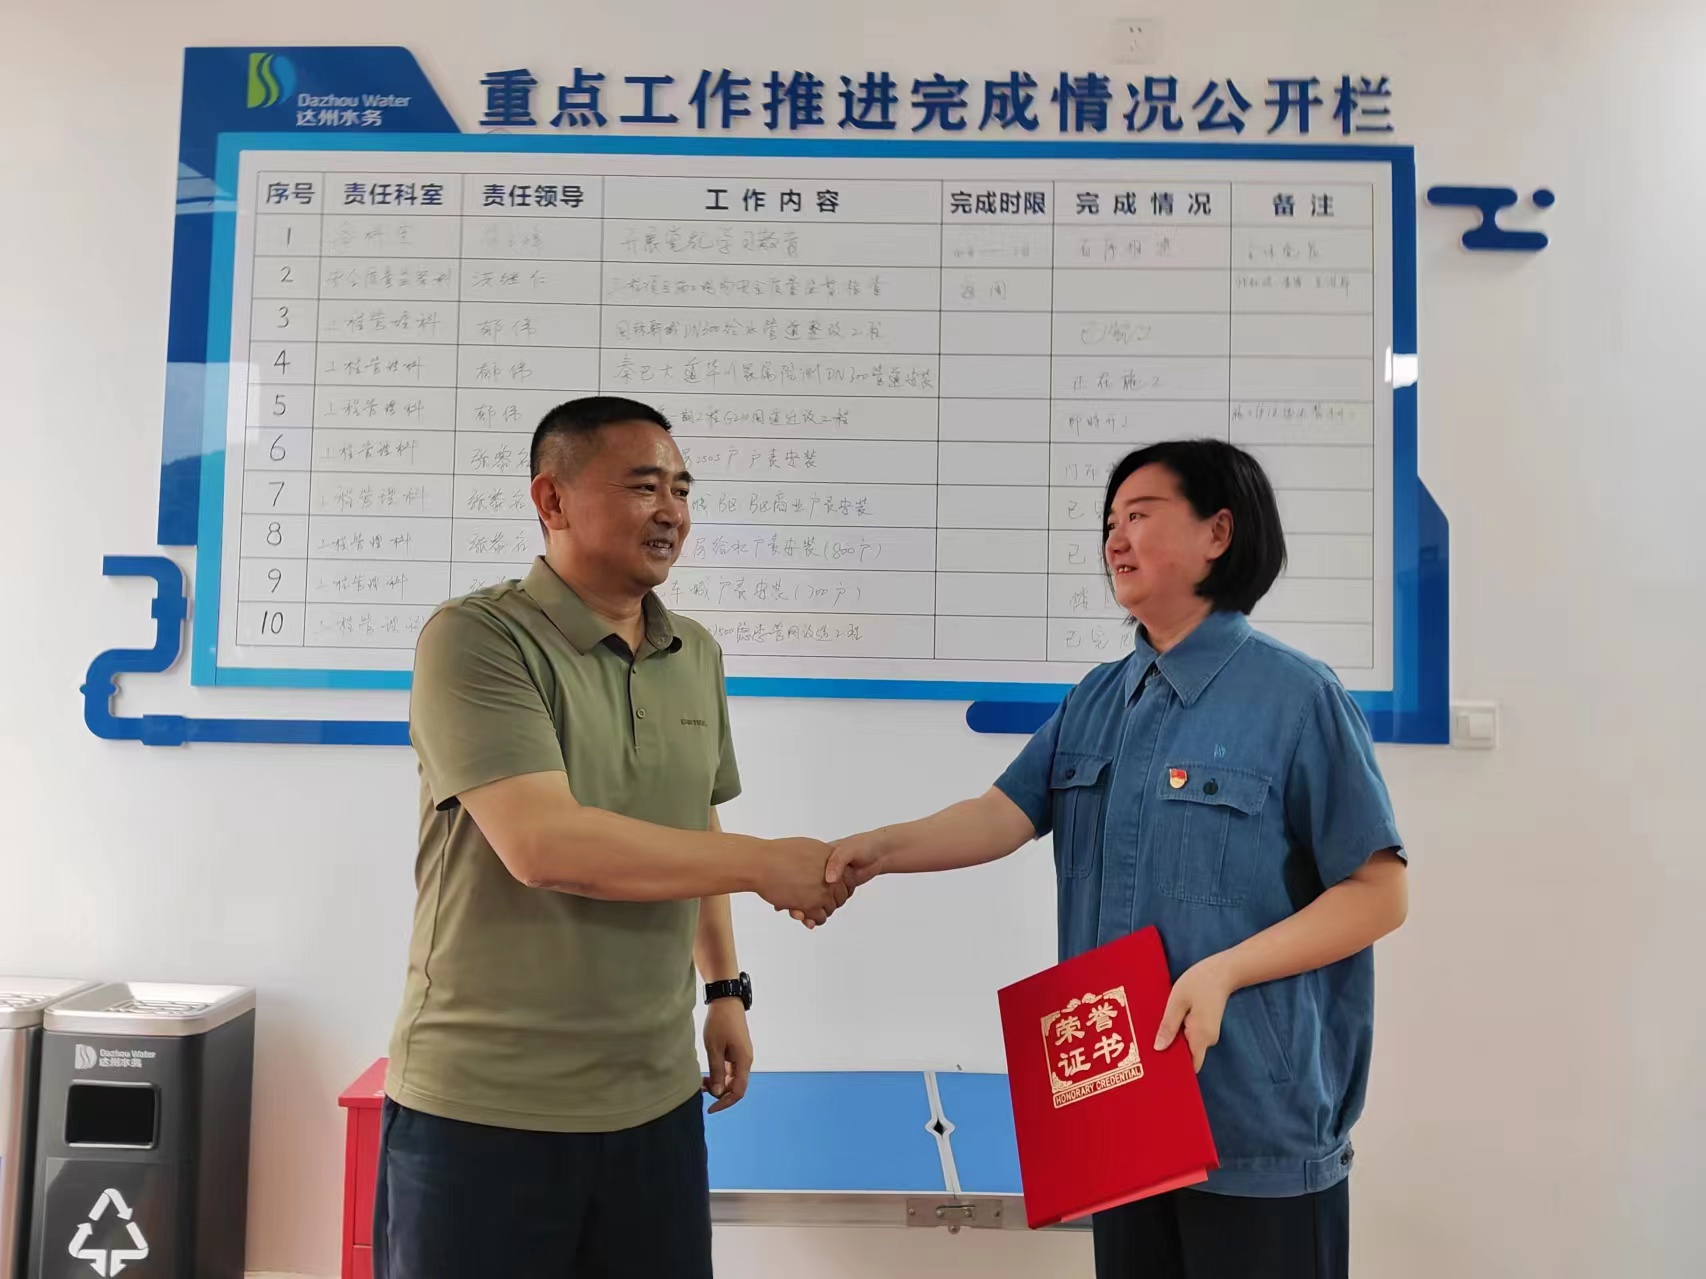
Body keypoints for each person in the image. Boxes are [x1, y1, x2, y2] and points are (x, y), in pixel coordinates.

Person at [824, 439, 1408, 1279]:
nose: (1115, 538)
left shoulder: (1297, 696)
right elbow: (998, 815)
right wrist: (874, 850)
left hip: (1255, 1122)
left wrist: (1224, 972)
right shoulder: (1098, 697)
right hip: (1117, 1110)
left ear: (1217, 532)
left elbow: (1379, 892)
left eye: (1140, 514)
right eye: (1108, 522)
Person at [375, 395, 847, 1279]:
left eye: (681, 489)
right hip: (485, 1110)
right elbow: (546, 847)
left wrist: (726, 988)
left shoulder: (694, 651)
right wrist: (767, 864)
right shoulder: (477, 637)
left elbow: (696, 820)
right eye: (643, 486)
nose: (671, 511)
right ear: (551, 499)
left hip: (653, 1102)